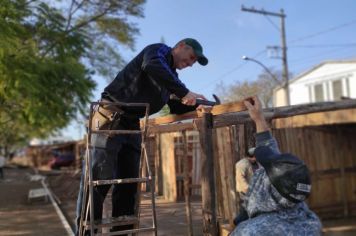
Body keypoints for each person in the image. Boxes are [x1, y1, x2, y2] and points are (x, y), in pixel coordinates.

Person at [75, 38, 209, 235]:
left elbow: (175, 104)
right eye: (190, 58)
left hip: (132, 125)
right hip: (110, 118)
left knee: (129, 185)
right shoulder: (157, 52)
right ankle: (85, 232)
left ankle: (122, 232)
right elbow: (152, 66)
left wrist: (197, 103)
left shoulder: (171, 77)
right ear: (180, 46)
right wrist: (185, 92)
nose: (190, 64)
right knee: (98, 179)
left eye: (193, 62)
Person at [231, 96, 322, 236]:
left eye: (265, 171)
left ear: (269, 190)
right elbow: (271, 153)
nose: (261, 169)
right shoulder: (310, 221)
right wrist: (259, 118)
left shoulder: (250, 232)